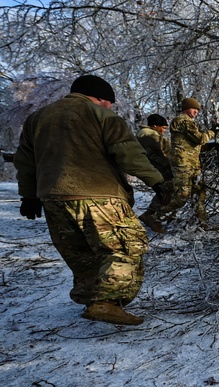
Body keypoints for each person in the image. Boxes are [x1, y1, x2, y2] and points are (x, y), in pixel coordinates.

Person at [13, 75, 170, 326]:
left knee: (81, 251)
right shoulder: (102, 116)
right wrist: (157, 181)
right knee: (127, 246)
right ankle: (106, 303)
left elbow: (25, 160)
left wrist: (29, 195)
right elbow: (129, 154)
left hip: (53, 197)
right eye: (109, 102)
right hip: (98, 194)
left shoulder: (38, 118)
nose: (110, 107)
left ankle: (91, 299)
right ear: (99, 97)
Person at [144, 97, 215, 230]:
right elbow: (200, 138)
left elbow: (193, 144)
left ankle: (201, 223)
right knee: (182, 195)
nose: (196, 112)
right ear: (186, 108)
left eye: (197, 110)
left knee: (199, 192)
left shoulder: (189, 122)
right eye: (193, 109)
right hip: (183, 164)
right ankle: (154, 217)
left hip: (192, 164)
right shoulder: (182, 120)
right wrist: (212, 132)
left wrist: (210, 146)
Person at [137, 114, 172, 233]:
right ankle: (151, 216)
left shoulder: (149, 134)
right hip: (157, 170)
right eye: (162, 128)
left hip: (155, 169)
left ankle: (153, 215)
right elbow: (156, 155)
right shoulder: (149, 135)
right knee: (166, 191)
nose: (164, 130)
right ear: (155, 126)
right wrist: (169, 167)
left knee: (165, 192)